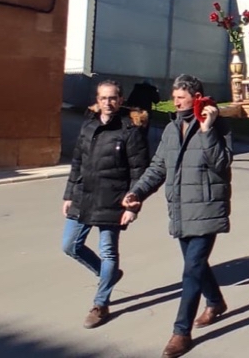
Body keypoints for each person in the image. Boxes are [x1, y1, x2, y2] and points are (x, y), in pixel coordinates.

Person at [121, 74, 232, 358]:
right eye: (174, 96)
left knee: (192, 268)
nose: (176, 101)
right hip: (181, 207)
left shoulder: (218, 125)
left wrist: (207, 130)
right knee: (196, 265)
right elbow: (158, 167)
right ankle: (216, 301)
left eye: (181, 97)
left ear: (197, 98)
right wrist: (137, 193)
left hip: (207, 206)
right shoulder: (172, 129)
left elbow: (221, 164)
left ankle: (181, 332)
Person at [62, 80, 149, 329]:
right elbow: (77, 162)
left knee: (108, 251)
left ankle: (101, 303)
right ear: (97, 100)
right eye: (103, 98)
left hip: (113, 200)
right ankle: (107, 275)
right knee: (69, 245)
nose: (108, 103)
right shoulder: (89, 125)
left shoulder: (130, 130)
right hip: (83, 196)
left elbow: (139, 172)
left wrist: (133, 206)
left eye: (112, 98)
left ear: (120, 100)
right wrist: (69, 195)